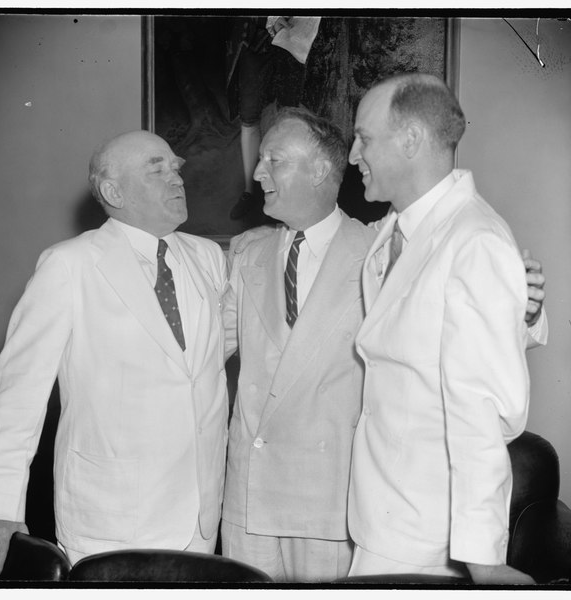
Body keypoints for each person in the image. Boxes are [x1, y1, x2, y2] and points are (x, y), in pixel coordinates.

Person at [220, 107, 546, 582]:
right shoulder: (246, 250)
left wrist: (526, 307)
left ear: (320, 170)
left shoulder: (382, 250)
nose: (257, 171)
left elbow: (463, 338)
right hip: (248, 495)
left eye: (274, 159)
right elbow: (205, 354)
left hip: (332, 502)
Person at [0, 131, 229, 580]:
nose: (177, 177)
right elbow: (16, 393)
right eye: (156, 168)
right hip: (110, 516)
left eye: (176, 166)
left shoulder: (207, 258)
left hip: (200, 514)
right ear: (112, 191)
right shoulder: (70, 265)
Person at [347, 73, 538, 583]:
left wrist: (482, 560)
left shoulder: (474, 240)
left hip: (430, 535)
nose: (351, 155)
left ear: (410, 140)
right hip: (383, 511)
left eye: (363, 138)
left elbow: (479, 412)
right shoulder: (397, 227)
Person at [227, 17, 320, 220]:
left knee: (295, 115)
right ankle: (250, 193)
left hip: (301, 40)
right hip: (255, 36)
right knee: (249, 117)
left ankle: (293, 191)